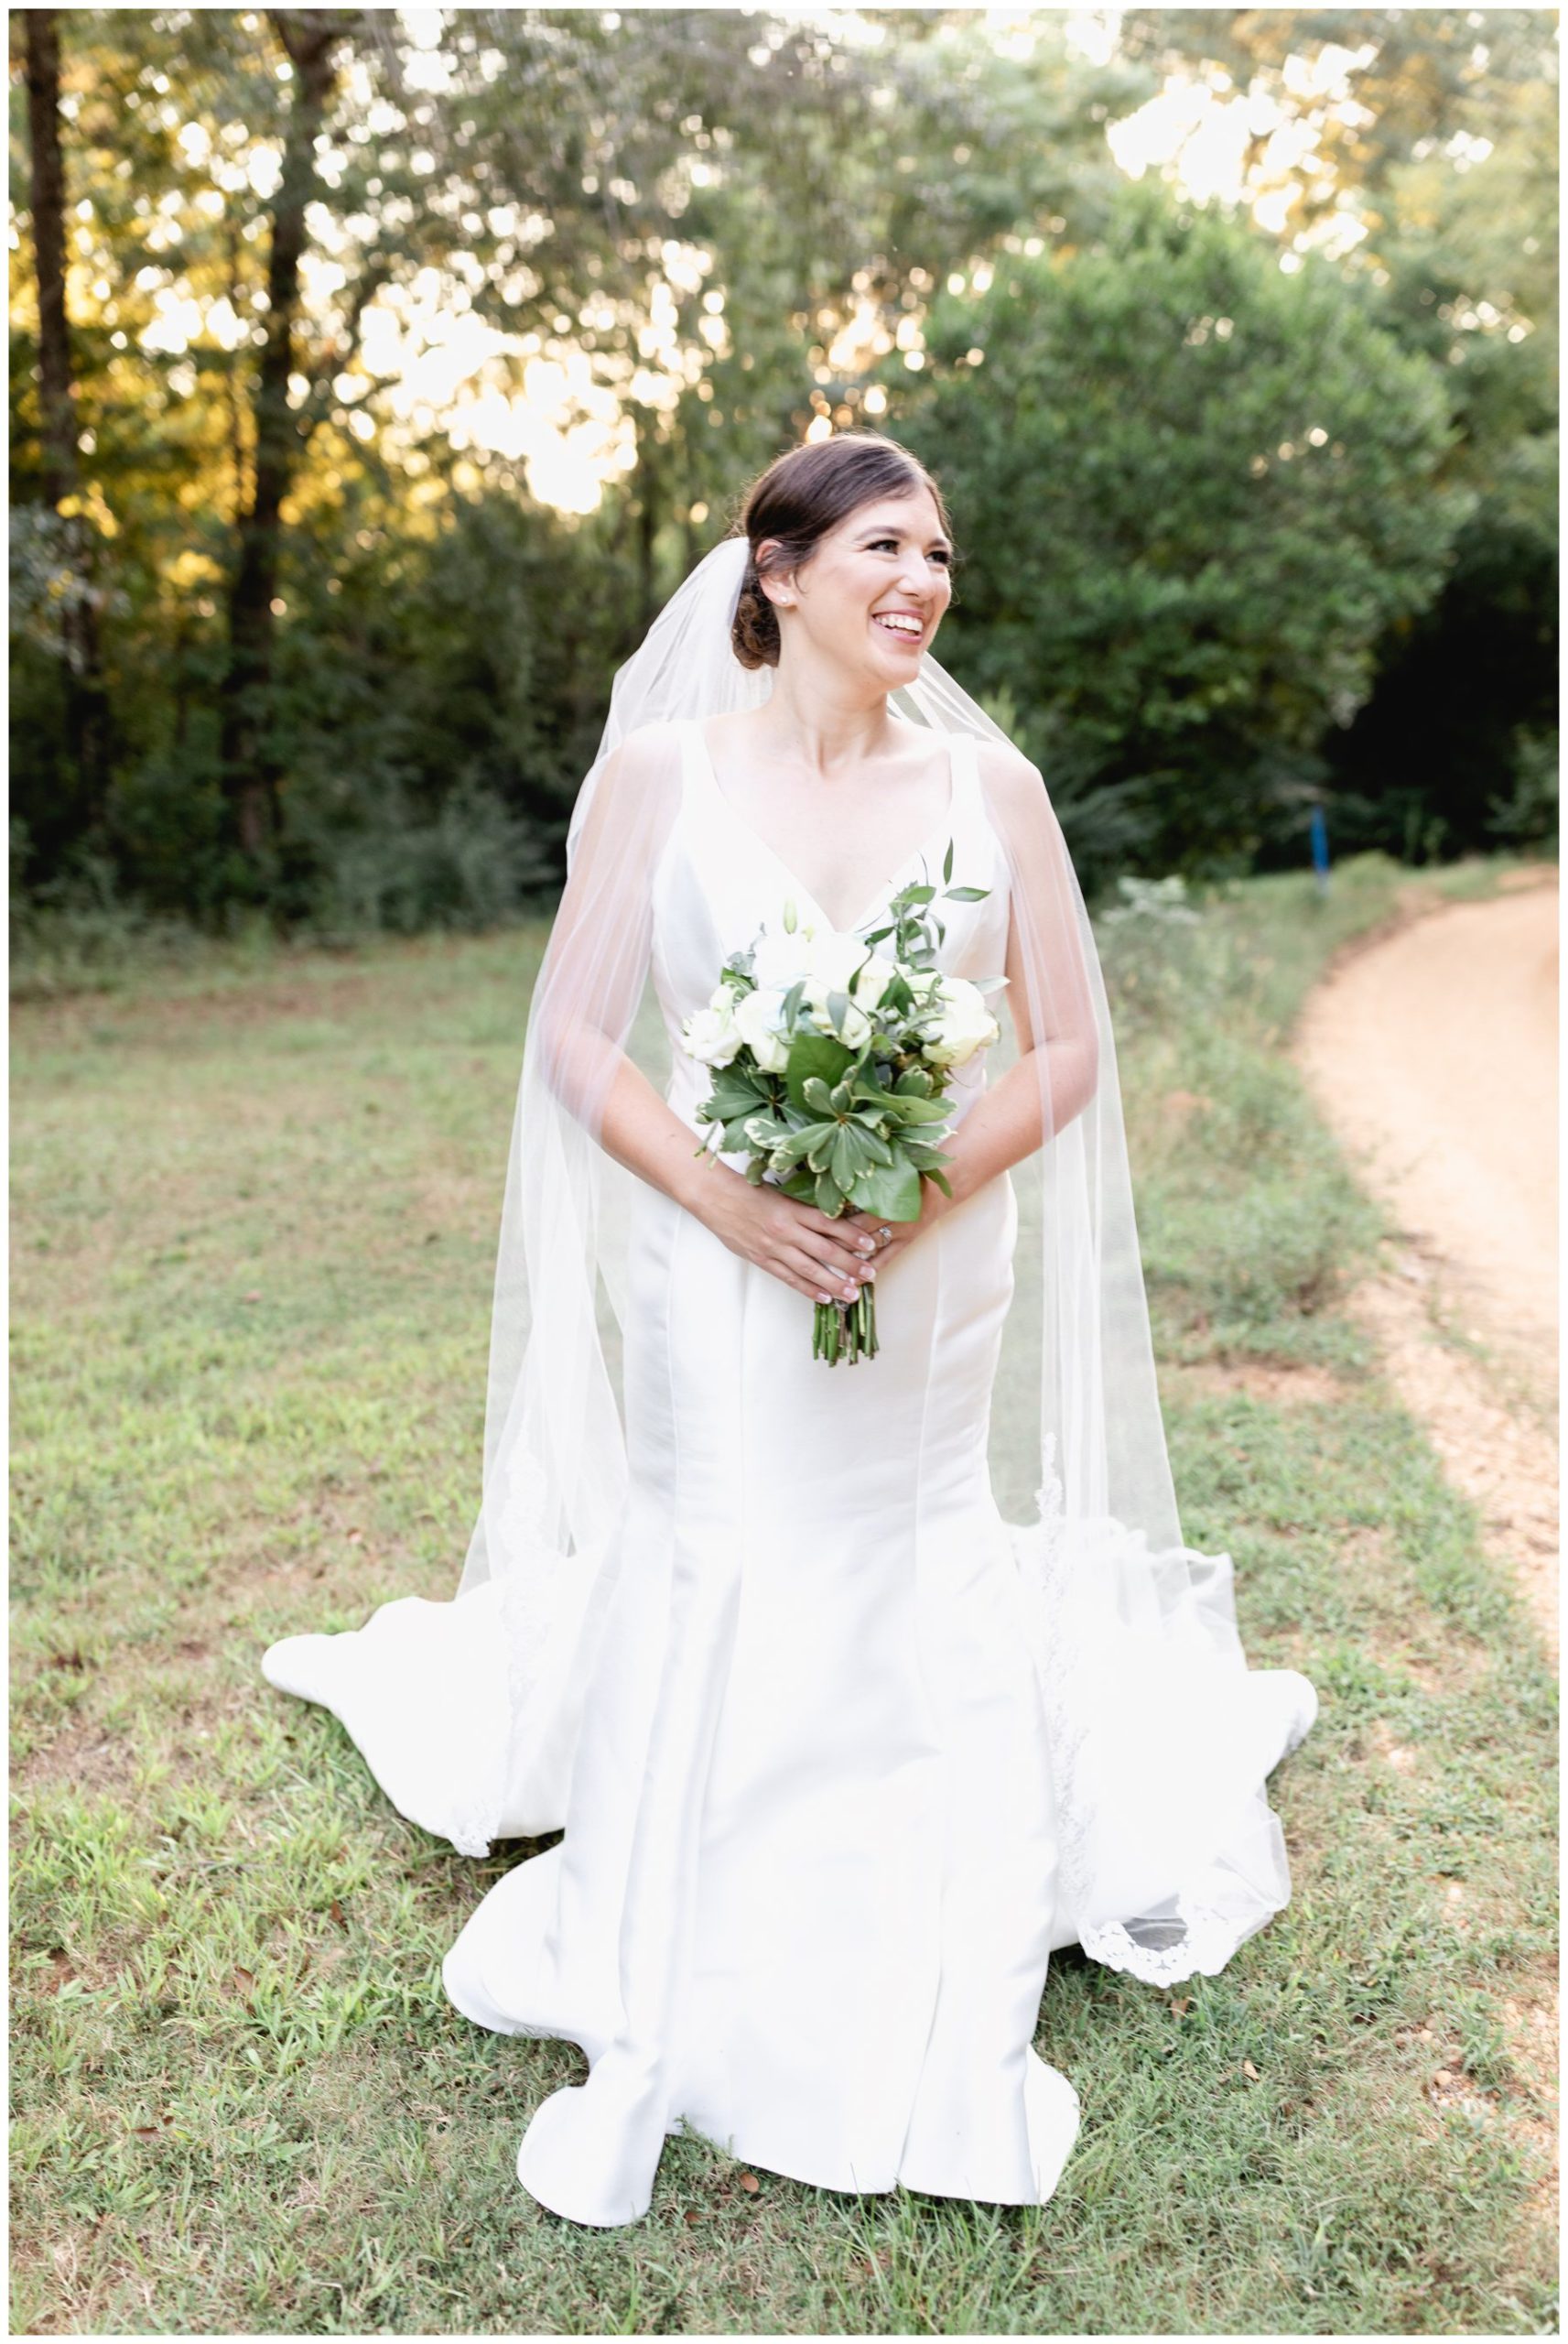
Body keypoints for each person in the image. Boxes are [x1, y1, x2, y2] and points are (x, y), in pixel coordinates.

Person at [263, 429, 1317, 2229]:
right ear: (776, 571)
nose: (920, 584)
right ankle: (696, 1926)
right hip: (710, 1261)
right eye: (883, 549)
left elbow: (1059, 1045)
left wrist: (906, 1193)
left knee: (905, 1549)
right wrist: (730, 1198)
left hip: (923, 1272)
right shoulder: (658, 779)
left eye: (941, 557)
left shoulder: (999, 801)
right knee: (725, 1547)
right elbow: (579, 1037)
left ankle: (924, 1925)